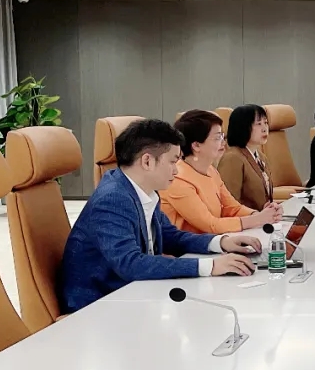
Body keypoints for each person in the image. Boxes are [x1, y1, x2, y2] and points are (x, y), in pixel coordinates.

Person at [58, 119, 260, 314]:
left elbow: (170, 236)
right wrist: (211, 266)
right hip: (97, 306)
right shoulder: (112, 199)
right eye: (173, 161)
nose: (176, 170)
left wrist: (220, 242)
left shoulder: (143, 190)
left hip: (133, 292)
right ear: (147, 161)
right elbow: (130, 264)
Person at [160, 110, 283, 234]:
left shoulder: (210, 170)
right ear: (196, 145)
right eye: (217, 137)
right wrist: (257, 219)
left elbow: (232, 208)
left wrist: (259, 214)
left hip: (214, 240)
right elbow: (210, 225)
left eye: (223, 136)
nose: (223, 142)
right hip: (187, 245)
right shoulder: (177, 179)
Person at [218, 104, 275, 211]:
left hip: (264, 218)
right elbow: (229, 204)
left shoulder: (261, 157)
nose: (265, 129)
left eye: (266, 123)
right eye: (258, 124)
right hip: (246, 219)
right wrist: (255, 215)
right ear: (242, 127)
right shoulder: (232, 158)